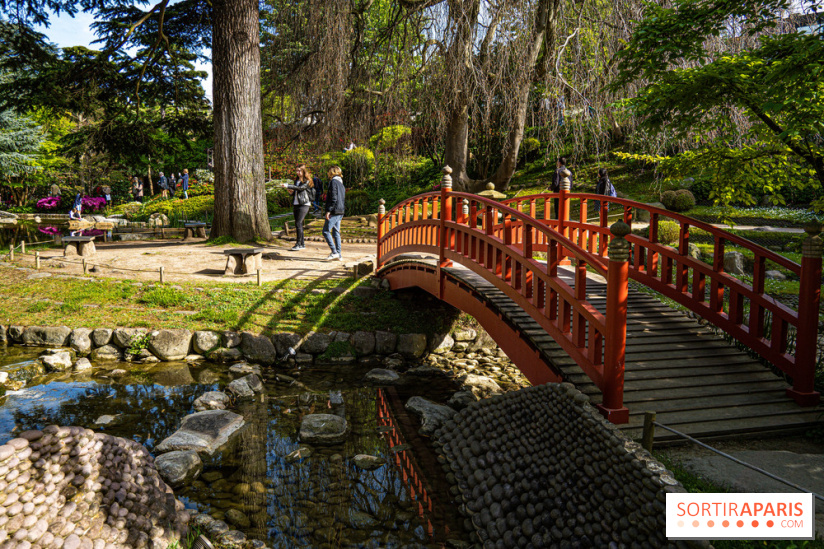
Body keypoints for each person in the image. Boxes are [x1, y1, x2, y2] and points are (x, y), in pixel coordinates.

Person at [282, 165, 315, 251]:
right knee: (298, 224)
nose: (298, 172)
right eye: (296, 171)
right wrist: (290, 192)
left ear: (304, 171)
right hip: (296, 203)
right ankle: (302, 244)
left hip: (304, 203)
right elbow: (296, 191)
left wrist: (288, 185)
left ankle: (298, 244)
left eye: (299, 170)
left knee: (298, 223)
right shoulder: (296, 180)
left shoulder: (307, 181)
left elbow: (301, 188)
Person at [323, 166, 345, 261]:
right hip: (340, 210)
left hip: (335, 210)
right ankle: (339, 254)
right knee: (336, 232)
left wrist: (328, 210)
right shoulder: (341, 183)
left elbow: (334, 198)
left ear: (332, 172)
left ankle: (334, 252)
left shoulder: (333, 182)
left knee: (325, 231)